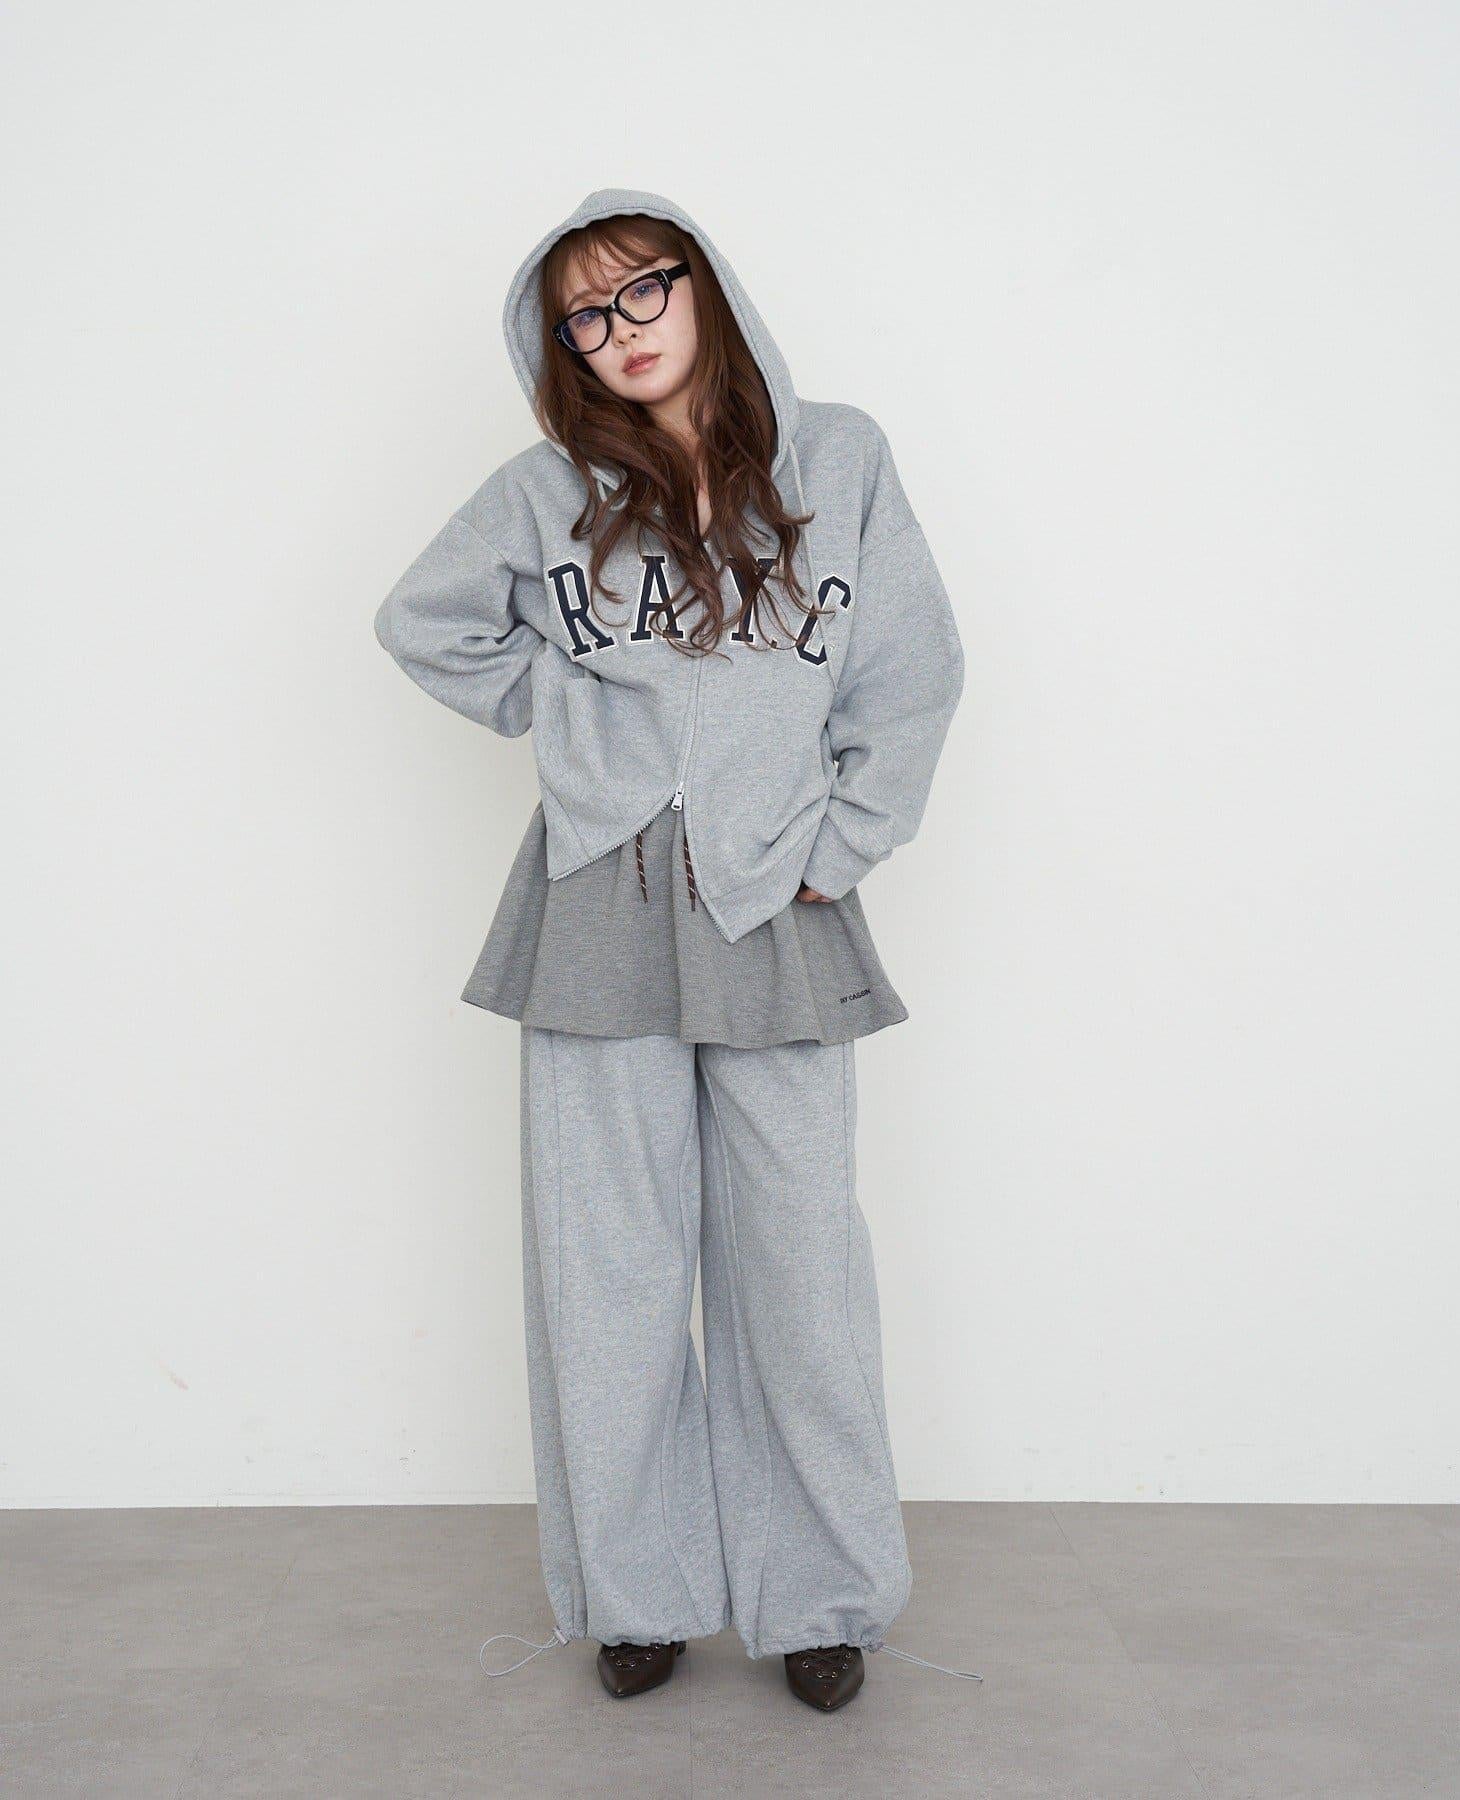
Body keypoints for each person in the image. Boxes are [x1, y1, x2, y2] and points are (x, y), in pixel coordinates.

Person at [374, 188, 977, 1713]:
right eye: (585, 315)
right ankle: (639, 1594)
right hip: (599, 898)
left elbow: (912, 670)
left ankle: (819, 1595)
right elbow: (423, 620)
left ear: (702, 284)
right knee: (611, 1271)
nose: (621, 329)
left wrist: (843, 843)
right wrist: (562, 715)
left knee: (800, 1268)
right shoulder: (546, 492)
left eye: (642, 289)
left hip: (780, 899)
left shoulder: (840, 460)